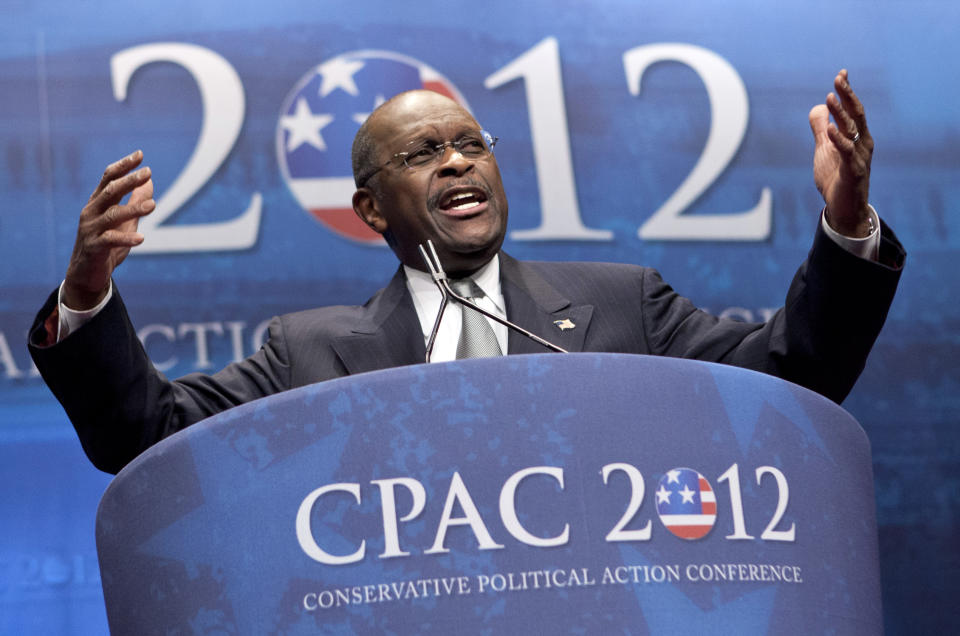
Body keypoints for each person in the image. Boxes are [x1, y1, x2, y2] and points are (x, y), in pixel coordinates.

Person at [29, 70, 905, 474]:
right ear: (371, 209)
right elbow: (141, 439)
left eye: (468, 144)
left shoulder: (621, 304)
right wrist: (85, 294)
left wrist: (845, 222)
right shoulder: (309, 354)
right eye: (422, 153)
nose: (455, 163)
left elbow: (798, 374)